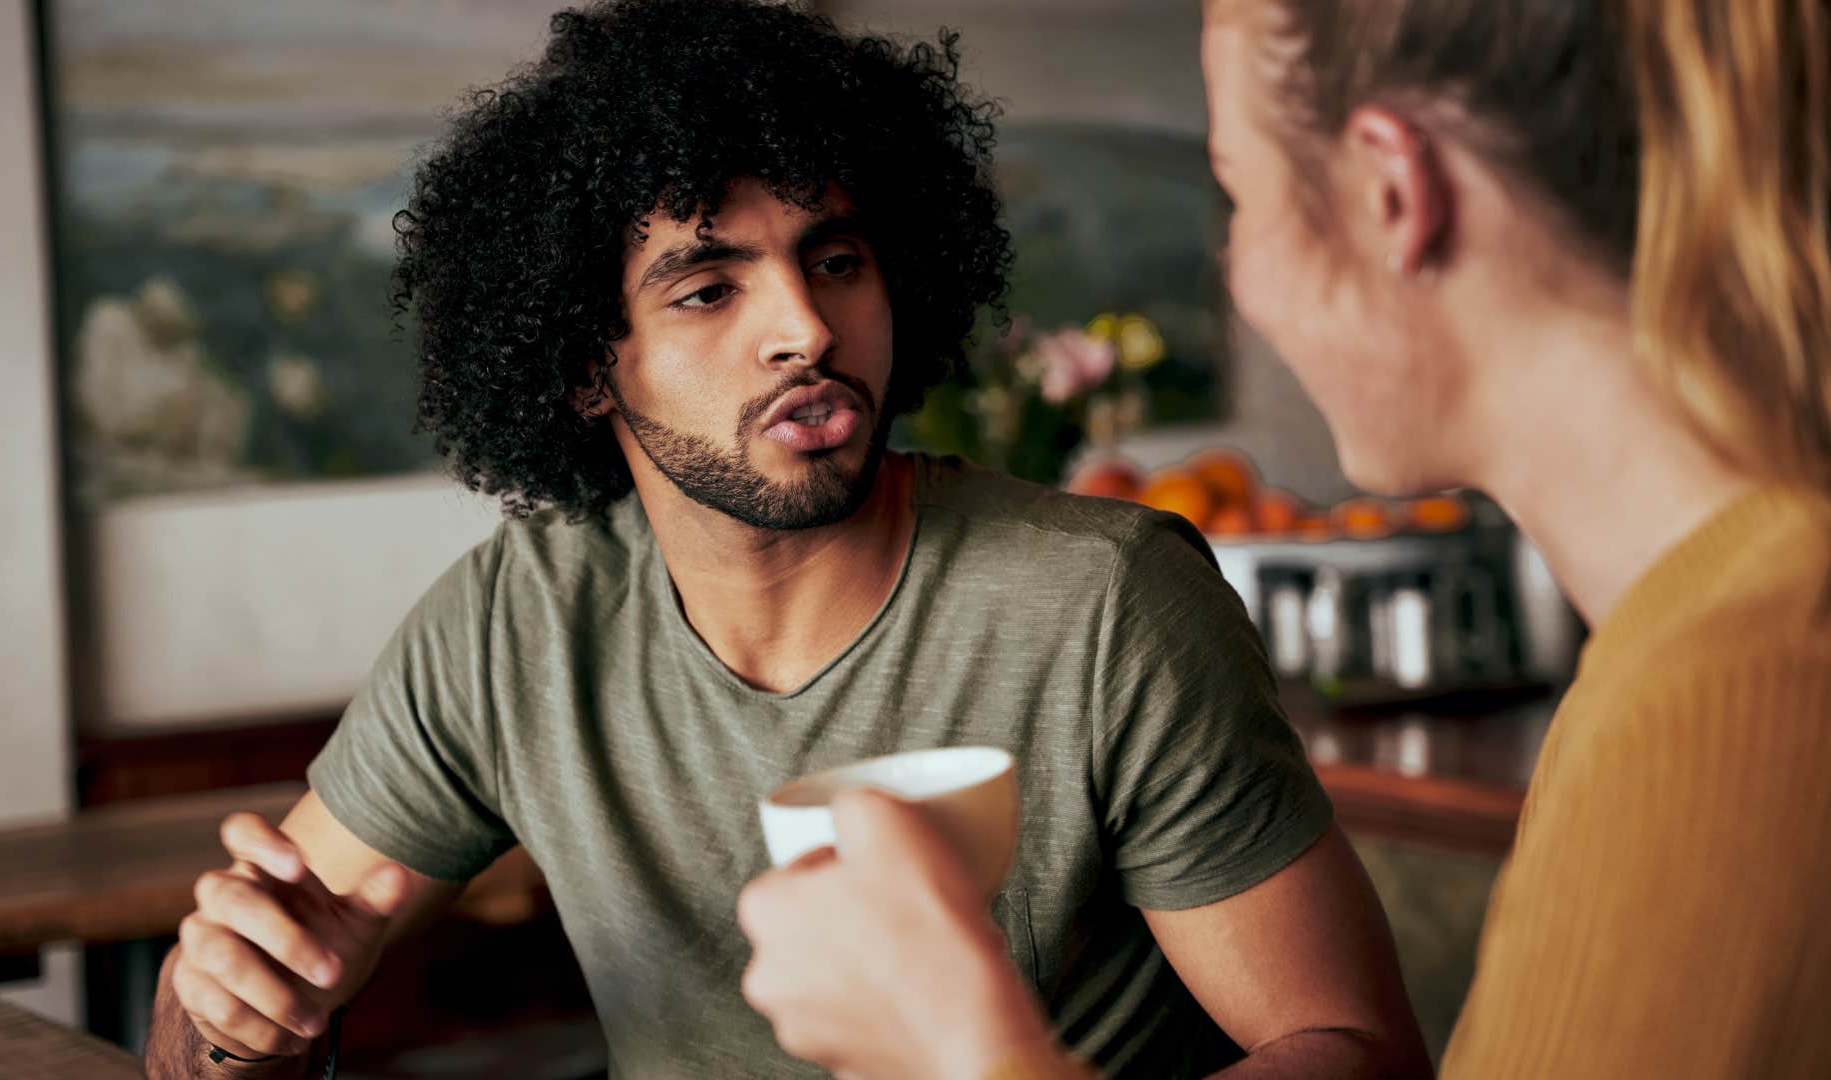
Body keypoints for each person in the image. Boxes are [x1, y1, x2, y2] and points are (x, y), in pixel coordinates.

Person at [141, 1, 1431, 1077]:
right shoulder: (512, 627)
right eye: (710, 289)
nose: (806, 330)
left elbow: (1357, 1049)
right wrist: (245, 1017)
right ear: (585, 366)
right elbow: (206, 1034)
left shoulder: (1106, 604)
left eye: (838, 260)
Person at [738, 0, 1831, 1076]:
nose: (1241, 278)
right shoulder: (1674, 653)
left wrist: (964, 1049)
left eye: (1240, 197)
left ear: (1392, 193)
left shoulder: (1742, 691)